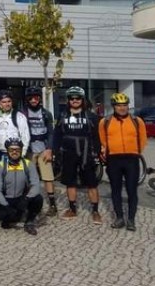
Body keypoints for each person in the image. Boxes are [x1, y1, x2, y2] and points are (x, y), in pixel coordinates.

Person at [53, 86, 102, 224]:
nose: (75, 100)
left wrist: (97, 153)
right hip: (68, 153)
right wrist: (53, 151)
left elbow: (96, 137)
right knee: (70, 182)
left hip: (86, 153)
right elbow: (57, 135)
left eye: (78, 98)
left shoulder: (91, 116)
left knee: (91, 183)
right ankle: (72, 209)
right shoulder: (63, 115)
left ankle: (95, 211)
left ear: (82, 99)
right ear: (68, 100)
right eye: (72, 98)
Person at [99, 92, 147, 231]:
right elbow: (102, 139)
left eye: (125, 105)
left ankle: (131, 220)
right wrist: (106, 151)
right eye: (119, 105)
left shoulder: (137, 121)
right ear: (113, 106)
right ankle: (119, 217)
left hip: (131, 160)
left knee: (132, 190)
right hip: (113, 160)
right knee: (115, 190)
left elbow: (143, 139)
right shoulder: (105, 122)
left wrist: (136, 152)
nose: (122, 108)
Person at [20, 86, 58, 217]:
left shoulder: (46, 113)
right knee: (29, 178)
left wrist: (50, 149)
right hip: (29, 149)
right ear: (27, 99)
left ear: (40, 98)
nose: (33, 100)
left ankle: (52, 204)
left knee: (48, 177)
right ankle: (30, 202)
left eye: (36, 97)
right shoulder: (23, 113)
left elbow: (51, 132)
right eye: (30, 98)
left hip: (43, 149)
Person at [0, 138, 42, 235]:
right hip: (6, 199)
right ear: (7, 151)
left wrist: (27, 199)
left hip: (21, 198)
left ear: (21, 150)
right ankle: (11, 217)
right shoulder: (0, 166)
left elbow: (36, 185)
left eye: (17, 149)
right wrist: (6, 205)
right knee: (6, 216)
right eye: (11, 149)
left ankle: (29, 221)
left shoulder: (28, 164)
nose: (14, 152)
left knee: (38, 199)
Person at [0, 90, 30, 162]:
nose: (7, 104)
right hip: (0, 153)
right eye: (4, 102)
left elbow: (25, 136)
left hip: (16, 153)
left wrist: (23, 153)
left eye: (9, 101)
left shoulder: (19, 116)